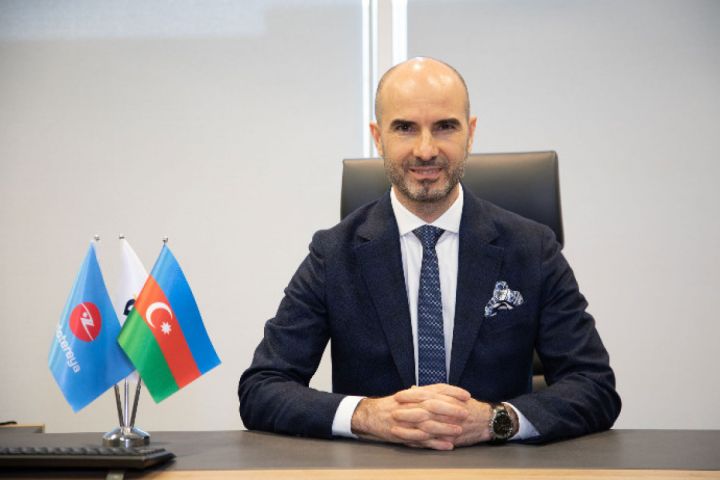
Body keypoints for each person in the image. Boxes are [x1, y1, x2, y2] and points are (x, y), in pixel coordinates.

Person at [238, 57, 621, 449]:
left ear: (470, 134)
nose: (425, 150)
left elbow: (594, 386)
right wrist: (367, 415)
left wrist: (495, 420)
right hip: (377, 470)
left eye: (445, 126)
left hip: (495, 468)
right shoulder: (333, 254)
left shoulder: (532, 248)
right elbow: (262, 388)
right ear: (378, 137)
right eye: (405, 128)